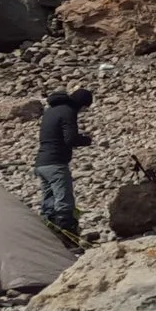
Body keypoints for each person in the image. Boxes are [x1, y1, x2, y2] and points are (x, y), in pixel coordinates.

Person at [34, 88, 93, 239]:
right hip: (56, 164)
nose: (83, 111)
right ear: (81, 103)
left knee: (49, 205)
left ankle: (50, 239)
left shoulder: (51, 111)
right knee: (64, 203)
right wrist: (86, 140)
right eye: (84, 107)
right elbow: (70, 138)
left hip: (42, 163)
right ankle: (68, 239)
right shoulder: (68, 112)